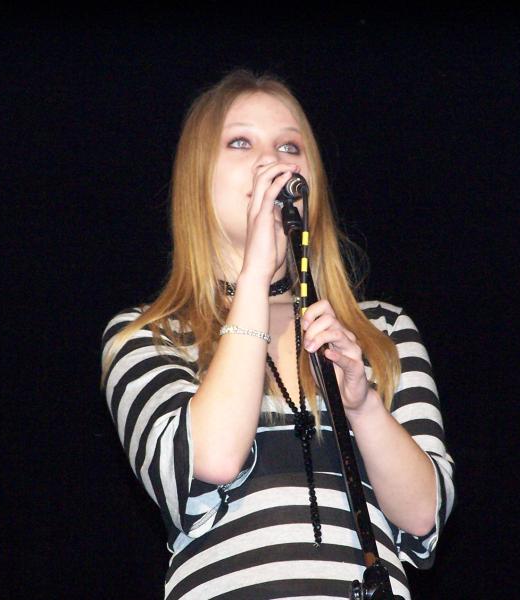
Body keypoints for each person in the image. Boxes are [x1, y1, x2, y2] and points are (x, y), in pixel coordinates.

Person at [100, 69, 454, 600]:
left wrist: (362, 405)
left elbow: (424, 515)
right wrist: (255, 277)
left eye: (290, 147)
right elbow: (209, 460)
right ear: (197, 177)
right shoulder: (149, 337)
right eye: (241, 143)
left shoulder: (381, 330)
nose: (272, 162)